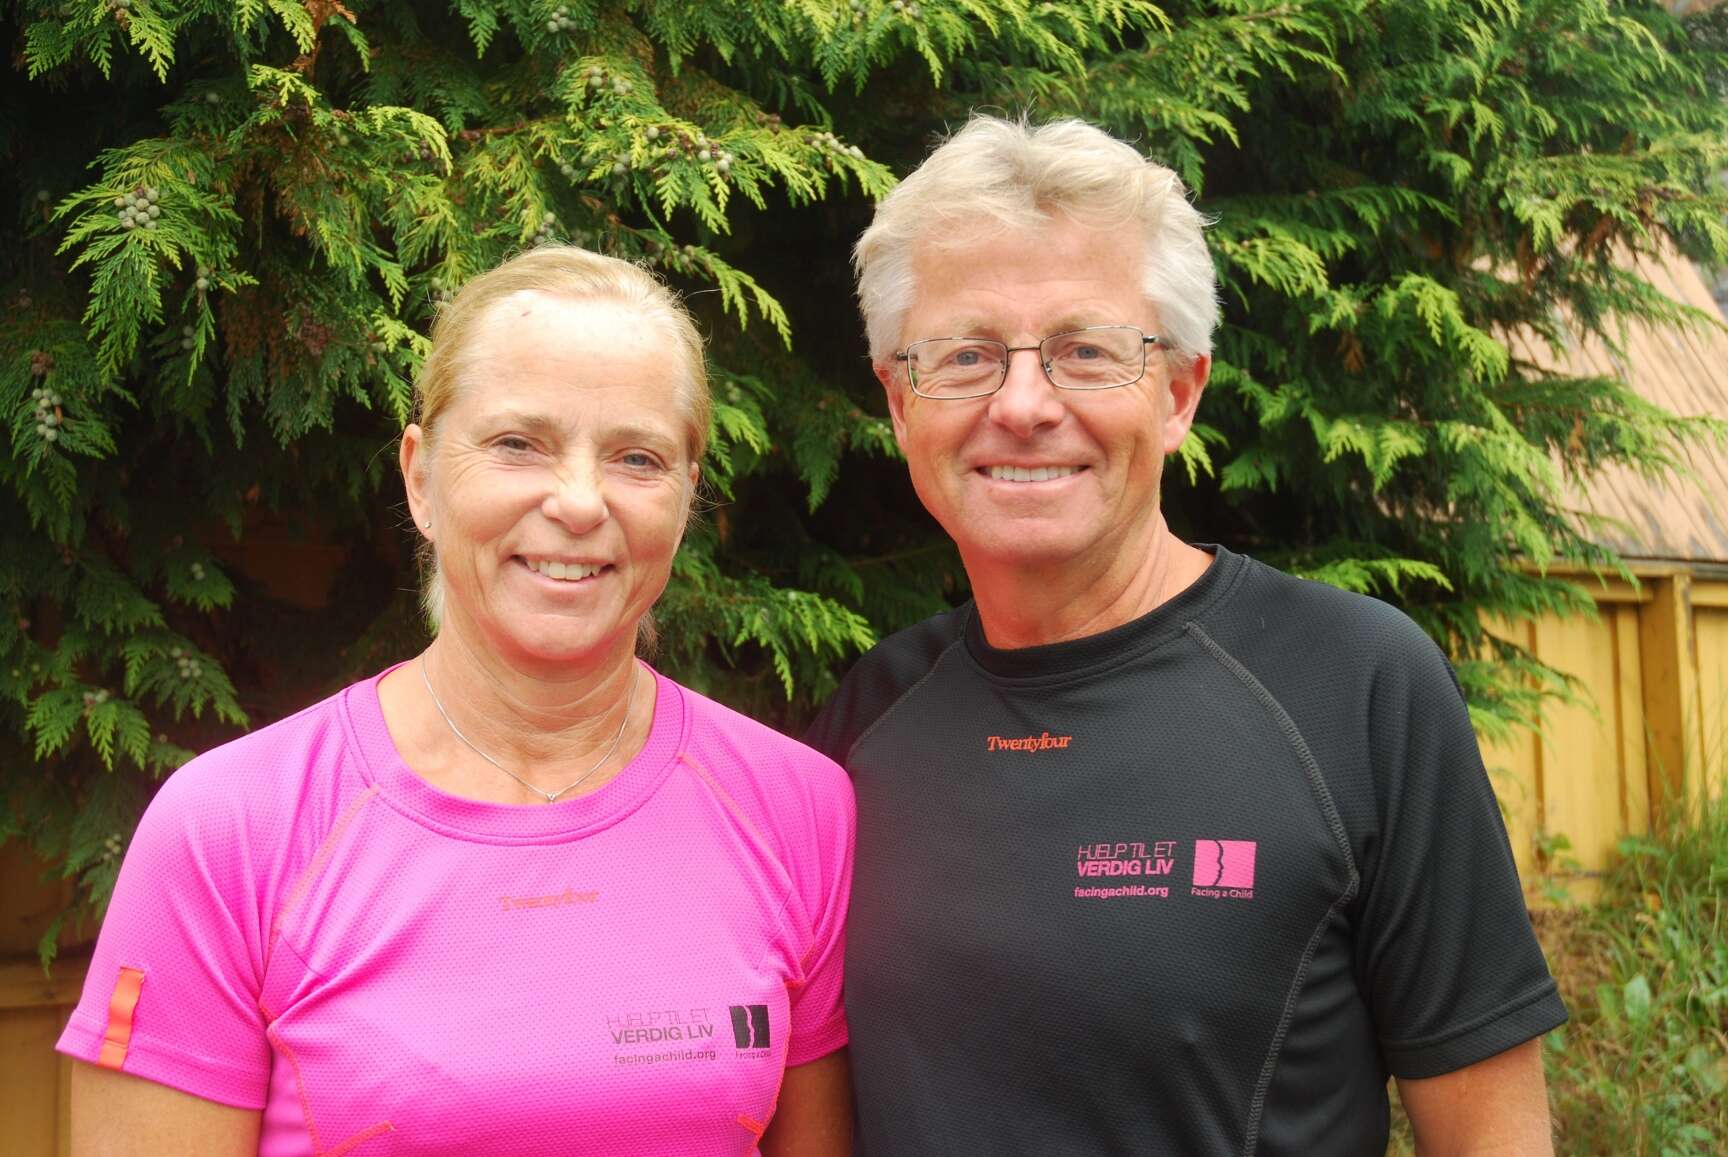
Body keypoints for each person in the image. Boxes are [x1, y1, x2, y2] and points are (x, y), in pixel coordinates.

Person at [807, 115, 1566, 1155]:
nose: (1022, 404)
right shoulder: (864, 723)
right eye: (966, 354)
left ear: (1178, 393)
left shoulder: (1356, 688)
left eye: (1084, 350)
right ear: (901, 403)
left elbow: (1492, 1138)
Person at [58, 246, 855, 1156]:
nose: (580, 502)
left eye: (637, 457)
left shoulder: (797, 809)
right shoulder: (234, 827)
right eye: (518, 444)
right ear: (420, 478)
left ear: (685, 500)